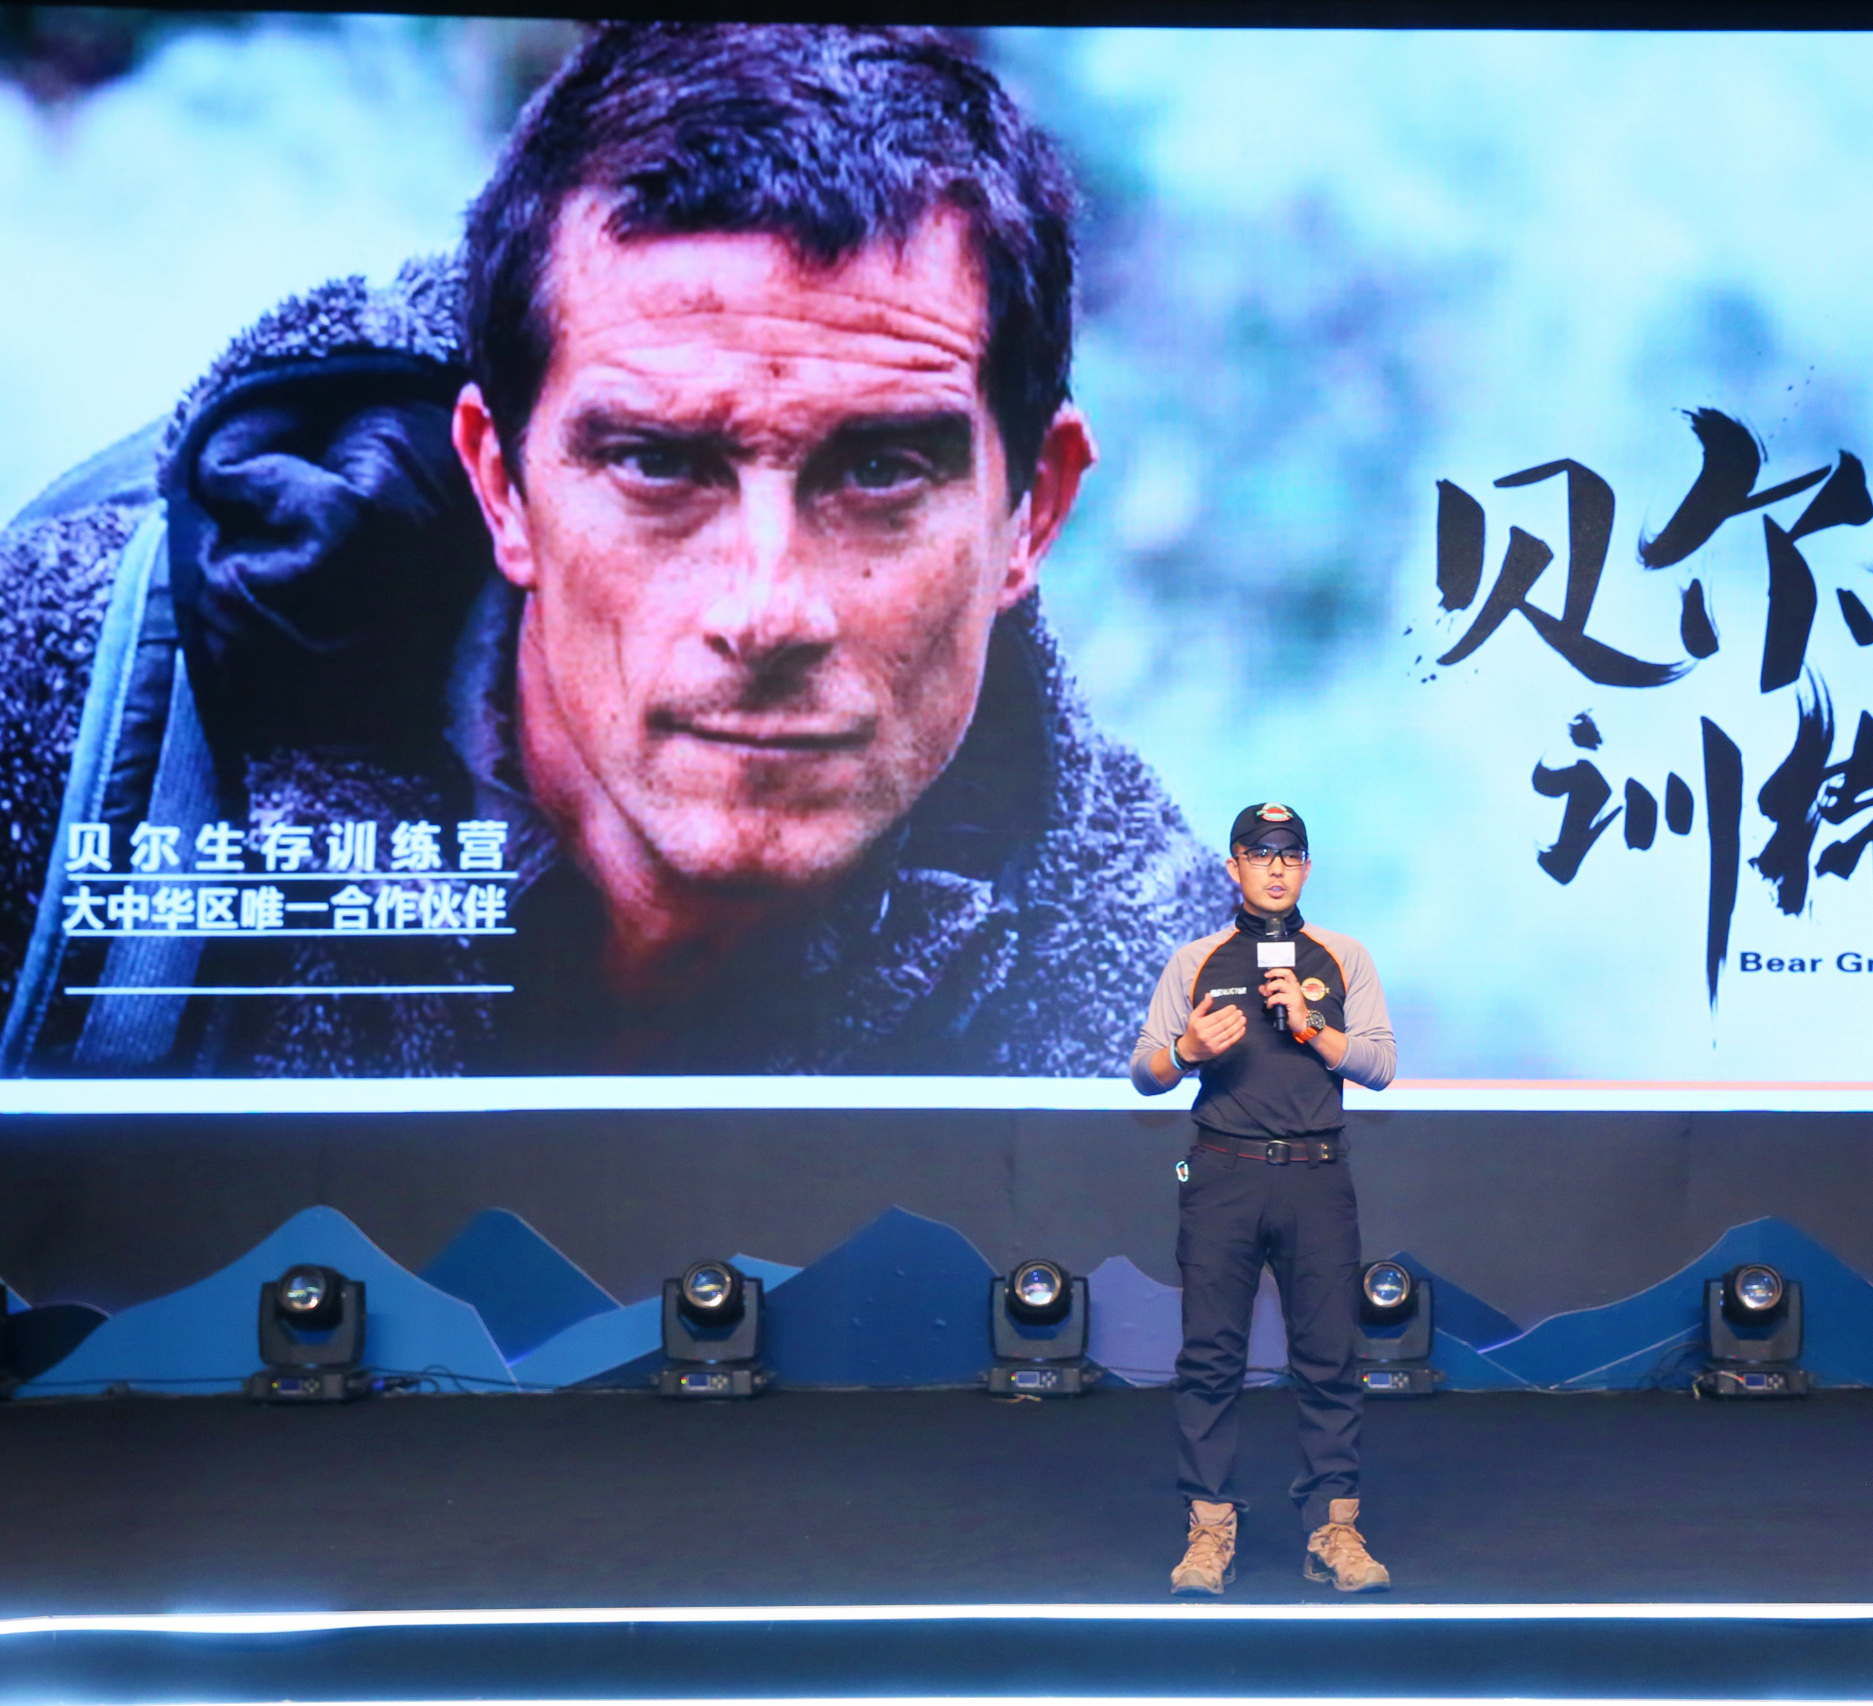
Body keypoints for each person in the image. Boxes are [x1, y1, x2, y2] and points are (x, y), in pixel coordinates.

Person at [0, 24, 1228, 1076]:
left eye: (878, 471)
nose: (767, 608)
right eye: (657, 464)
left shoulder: (1159, 996)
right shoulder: (55, 724)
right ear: (501, 482)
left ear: (1034, 510)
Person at [1130, 802, 1397, 1596]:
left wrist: (1312, 1027)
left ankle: (1334, 1531)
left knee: (1330, 1357)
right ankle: (1209, 1531)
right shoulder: (1195, 959)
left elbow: (1380, 1067)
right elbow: (1143, 1071)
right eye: (1259, 853)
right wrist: (1185, 1051)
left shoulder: (1343, 956)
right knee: (1210, 1357)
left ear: (1306, 869)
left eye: (1290, 854)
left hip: (1318, 1175)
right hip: (1222, 1174)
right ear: (1233, 868)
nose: (1276, 867)